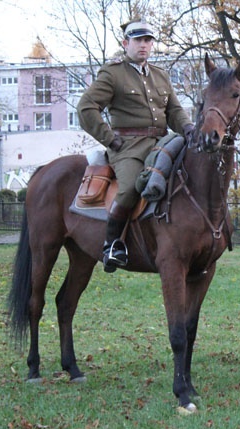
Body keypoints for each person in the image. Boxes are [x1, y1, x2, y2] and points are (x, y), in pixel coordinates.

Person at [77, 19, 195, 273]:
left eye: (148, 40)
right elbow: (86, 108)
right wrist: (111, 140)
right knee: (130, 187)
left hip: (163, 143)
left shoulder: (160, 75)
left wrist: (188, 129)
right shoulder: (113, 73)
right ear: (125, 43)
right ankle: (112, 245)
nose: (144, 45)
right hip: (128, 146)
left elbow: (174, 110)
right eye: (138, 40)